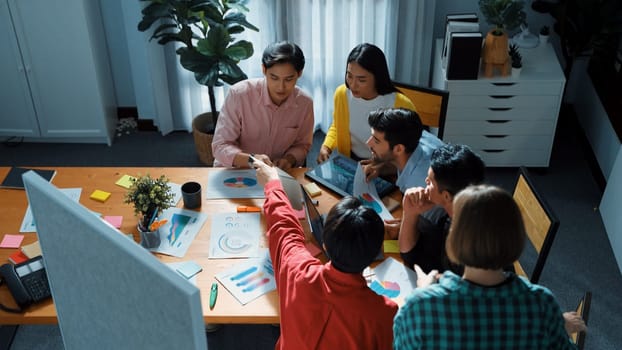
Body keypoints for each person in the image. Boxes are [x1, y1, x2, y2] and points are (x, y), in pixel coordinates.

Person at [393, 185, 584, 349]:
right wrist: (558, 326)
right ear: (517, 241)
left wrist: (424, 292)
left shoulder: (417, 308)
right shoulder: (543, 305)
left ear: (453, 242)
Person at [252, 158, 397, 349]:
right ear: (374, 258)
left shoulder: (297, 272)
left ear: (325, 245)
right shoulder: (384, 314)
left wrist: (273, 183)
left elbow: (283, 227)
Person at [212, 41, 314, 170]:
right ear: (264, 70)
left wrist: (289, 159)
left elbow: (302, 145)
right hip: (237, 170)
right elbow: (220, 146)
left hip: (276, 173)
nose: (281, 87)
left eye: (288, 79)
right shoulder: (239, 95)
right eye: (274, 78)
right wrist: (251, 160)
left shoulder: (305, 104)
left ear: (299, 74)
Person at [317, 43, 415, 163]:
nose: (353, 85)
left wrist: (384, 169)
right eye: (349, 76)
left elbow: (410, 149)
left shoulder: (400, 104)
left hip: (387, 166)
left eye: (361, 80)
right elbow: (337, 125)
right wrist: (326, 146)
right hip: (351, 161)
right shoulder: (342, 94)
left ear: (378, 77)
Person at [398, 143, 485, 273]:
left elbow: (411, 256)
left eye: (430, 181)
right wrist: (410, 214)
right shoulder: (455, 216)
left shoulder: (465, 248)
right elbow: (409, 253)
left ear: (446, 196)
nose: (426, 181)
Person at [364, 108, 444, 193]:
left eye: (376, 141)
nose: (368, 143)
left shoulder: (419, 186)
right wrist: (382, 169)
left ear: (399, 149)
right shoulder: (412, 134)